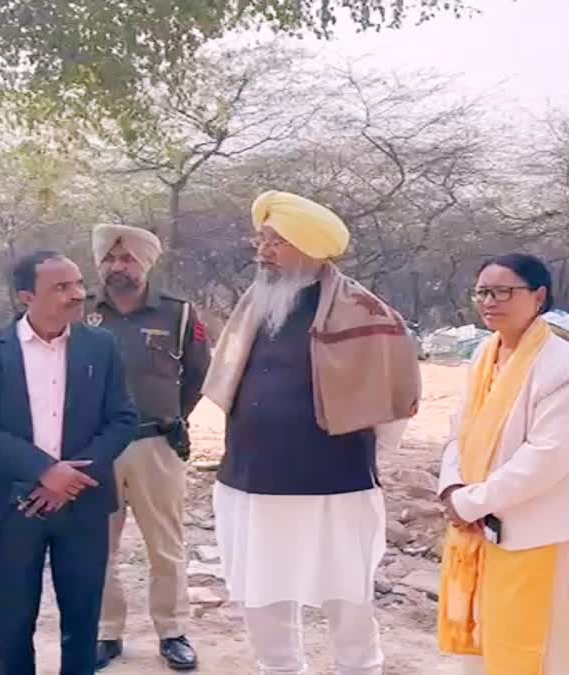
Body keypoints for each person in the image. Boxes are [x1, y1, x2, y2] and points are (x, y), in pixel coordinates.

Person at [202, 190, 421, 675]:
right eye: (261, 239)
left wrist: (351, 453)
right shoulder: (254, 303)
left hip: (334, 485)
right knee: (263, 591)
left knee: (348, 595)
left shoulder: (367, 312)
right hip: (251, 479)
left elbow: (393, 404)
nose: (263, 251)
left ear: (309, 246)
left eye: (276, 241)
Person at [436, 254, 569, 675]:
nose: (490, 301)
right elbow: (460, 430)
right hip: (484, 525)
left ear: (538, 297)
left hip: (543, 530)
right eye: (483, 292)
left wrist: (472, 502)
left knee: (546, 650)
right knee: (488, 648)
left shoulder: (563, 366)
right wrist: (452, 488)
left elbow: (548, 457)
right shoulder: (485, 354)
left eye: (504, 291)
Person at [0, 250, 139, 675]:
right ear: (25, 297)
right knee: (14, 625)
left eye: (77, 284)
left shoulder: (101, 345)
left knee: (82, 621)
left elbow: (123, 418)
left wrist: (72, 478)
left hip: (85, 502)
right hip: (13, 503)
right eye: (62, 287)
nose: (78, 295)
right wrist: (43, 470)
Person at [87, 225, 210, 671]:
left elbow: (198, 375)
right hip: (94, 448)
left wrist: (174, 417)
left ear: (146, 263)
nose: (118, 267)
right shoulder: (79, 311)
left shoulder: (178, 315)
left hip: (155, 443)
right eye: (110, 259)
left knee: (166, 546)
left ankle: (172, 632)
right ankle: (104, 632)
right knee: (97, 546)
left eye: (128, 259)